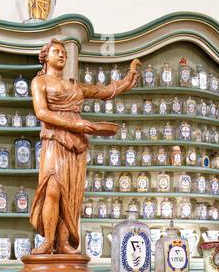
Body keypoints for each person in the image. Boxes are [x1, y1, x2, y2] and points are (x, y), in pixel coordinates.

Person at [29, 39, 141, 255]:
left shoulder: (75, 86)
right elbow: (42, 113)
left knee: (70, 195)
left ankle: (62, 242)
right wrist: (76, 124)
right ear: (46, 57)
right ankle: (48, 241)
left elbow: (105, 91)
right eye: (56, 51)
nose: (61, 55)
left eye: (63, 52)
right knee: (52, 189)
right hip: (54, 140)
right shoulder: (40, 82)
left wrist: (128, 78)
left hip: (76, 145)